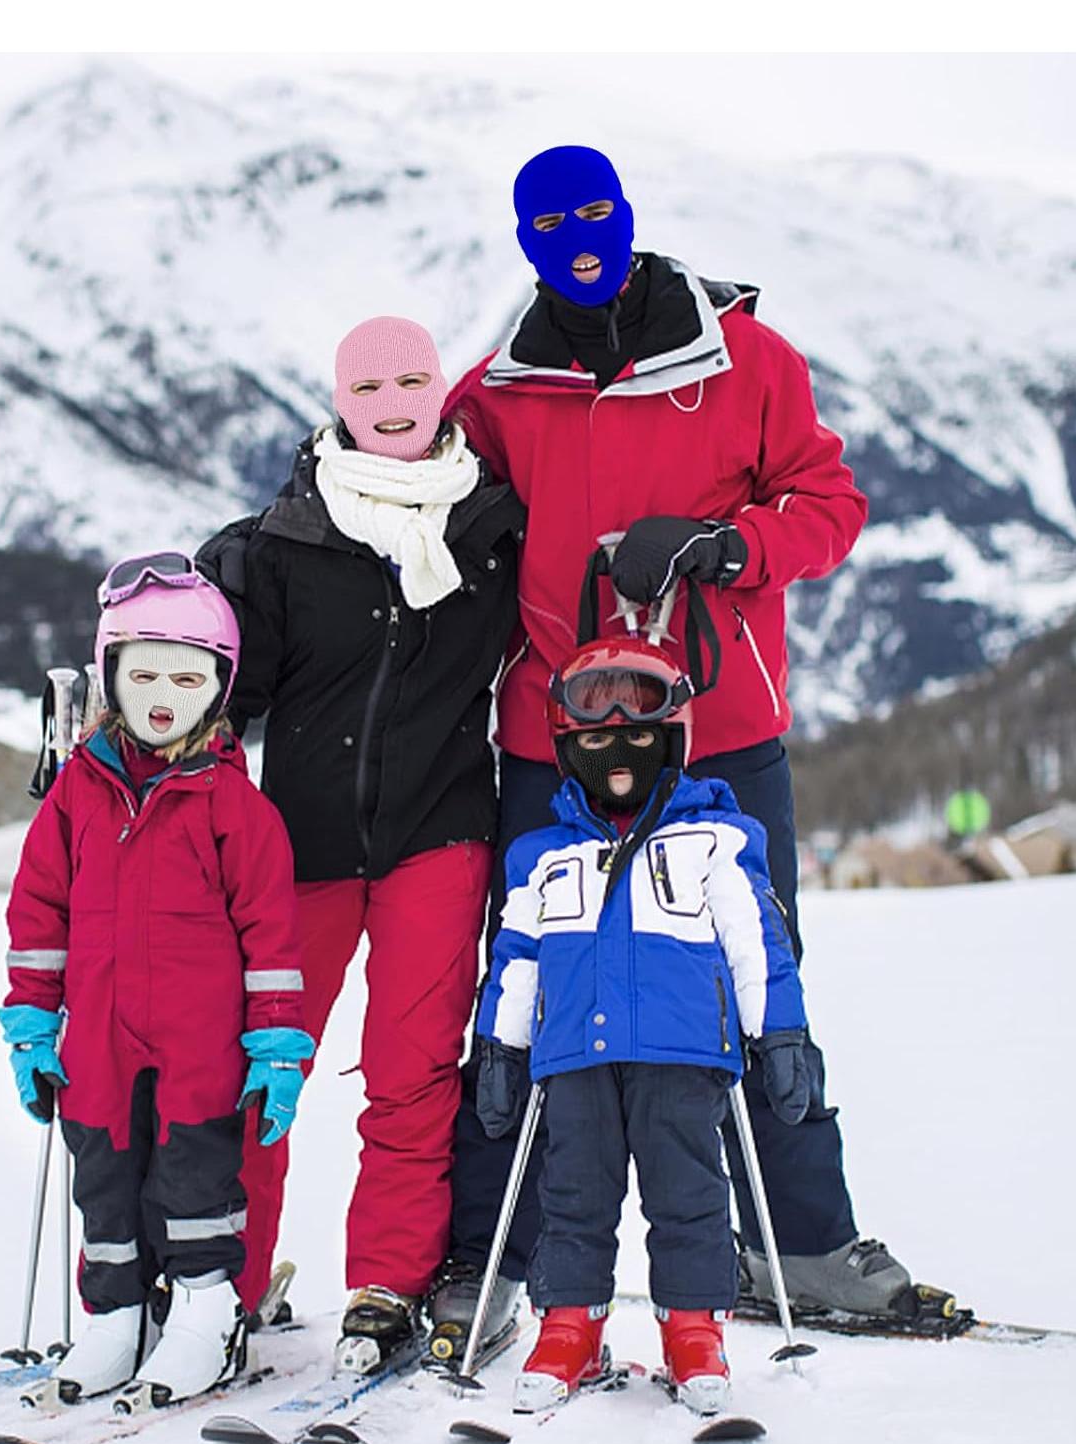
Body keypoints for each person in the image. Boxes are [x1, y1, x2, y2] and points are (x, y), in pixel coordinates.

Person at [430, 142, 925, 1350]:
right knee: (535, 984)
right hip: (555, 733)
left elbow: (830, 505)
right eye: (551, 221)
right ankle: (498, 1256)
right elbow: (415, 504)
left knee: (757, 976)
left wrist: (726, 547)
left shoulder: (746, 358)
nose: (580, 235)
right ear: (525, 239)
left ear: (629, 214)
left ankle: (798, 1242)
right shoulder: (494, 393)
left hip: (719, 730)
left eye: (596, 211)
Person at [198, 315, 524, 1373]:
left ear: (442, 388)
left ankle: (387, 1281)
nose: (392, 400)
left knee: (413, 1072)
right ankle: (226, 1283)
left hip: (441, 831)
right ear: (340, 399)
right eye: (369, 384)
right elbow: (218, 701)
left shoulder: (493, 527)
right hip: (302, 842)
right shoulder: (281, 542)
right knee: (263, 1066)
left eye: (412, 379)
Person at [0, 553, 314, 1406]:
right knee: (102, 1172)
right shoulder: (76, 795)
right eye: (143, 673)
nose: (163, 691)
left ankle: (206, 1313)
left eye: (186, 674)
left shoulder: (232, 807)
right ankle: (115, 1316)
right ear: (111, 677)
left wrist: (279, 1043)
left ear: (220, 686)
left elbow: (273, 939)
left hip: (198, 1041)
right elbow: (38, 916)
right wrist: (32, 1024)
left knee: (193, 1177)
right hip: (97, 1034)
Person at [476, 634, 809, 1416]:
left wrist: (782, 1034)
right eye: (594, 737)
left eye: (638, 735)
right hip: (572, 1060)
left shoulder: (718, 840)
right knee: (572, 1196)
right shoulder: (541, 856)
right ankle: (570, 1326)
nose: (617, 751)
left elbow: (759, 946)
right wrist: (500, 1046)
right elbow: (516, 956)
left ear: (674, 741)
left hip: (683, 1050)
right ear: (566, 746)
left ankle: (693, 1326)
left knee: (689, 1193)